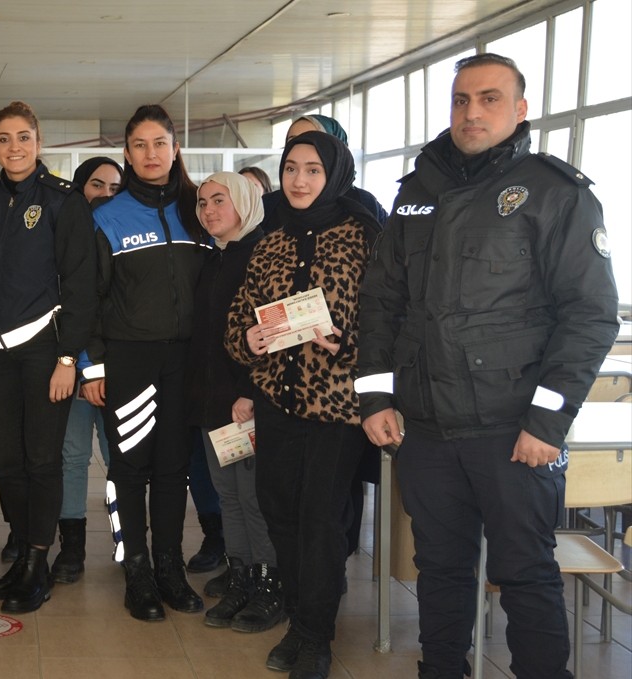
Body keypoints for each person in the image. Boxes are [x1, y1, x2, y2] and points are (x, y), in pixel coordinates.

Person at [357, 53, 619, 679]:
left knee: (524, 574)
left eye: (490, 98)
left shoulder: (555, 193)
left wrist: (546, 423)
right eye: (461, 100)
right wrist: (375, 399)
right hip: (425, 427)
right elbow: (380, 304)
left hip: (512, 432)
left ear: (520, 109)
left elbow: (589, 315)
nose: (472, 112)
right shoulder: (416, 192)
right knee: (440, 571)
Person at [225, 131, 381, 678]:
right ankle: (298, 617)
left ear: (334, 174)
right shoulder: (270, 241)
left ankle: (316, 633)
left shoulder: (362, 238)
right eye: (291, 168)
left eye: (312, 169)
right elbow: (239, 317)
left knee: (319, 521)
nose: (298, 180)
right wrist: (249, 340)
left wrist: (346, 345)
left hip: (336, 410)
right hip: (276, 403)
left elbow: (388, 322)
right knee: (280, 514)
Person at [79, 104, 207, 622]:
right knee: (130, 468)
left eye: (160, 143)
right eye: (139, 145)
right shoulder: (106, 217)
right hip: (129, 361)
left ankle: (170, 567)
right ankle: (137, 569)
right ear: (127, 154)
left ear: (175, 149)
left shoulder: (199, 210)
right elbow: (86, 299)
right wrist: (92, 366)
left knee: (175, 468)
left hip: (187, 360)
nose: (151, 154)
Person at [0, 100, 98, 614]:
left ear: (39, 142)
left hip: (45, 352)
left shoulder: (63, 201)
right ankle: (22, 553)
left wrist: (69, 357)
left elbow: (83, 284)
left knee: (42, 460)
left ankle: (39, 564)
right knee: (5, 462)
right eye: (5, 138)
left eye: (24, 137)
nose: (15, 147)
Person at [184, 171, 283, 634]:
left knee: (253, 496)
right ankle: (242, 574)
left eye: (218, 200)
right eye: (203, 202)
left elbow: (274, 333)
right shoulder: (217, 258)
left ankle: (269, 585)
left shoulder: (264, 253)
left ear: (244, 201)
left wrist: (251, 393)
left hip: (245, 402)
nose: (208, 211)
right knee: (230, 496)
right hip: (214, 402)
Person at [50, 156, 119, 585]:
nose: (106, 195)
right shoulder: (63, 236)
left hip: (119, 371)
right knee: (71, 458)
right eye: (97, 185)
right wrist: (86, 366)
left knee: (120, 461)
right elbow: (75, 307)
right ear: (79, 189)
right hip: (72, 365)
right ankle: (71, 549)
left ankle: (127, 545)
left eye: (115, 187)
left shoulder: (126, 236)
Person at [259, 114, 388, 233]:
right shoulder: (269, 206)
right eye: (292, 141)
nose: (301, 146)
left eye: (314, 139)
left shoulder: (364, 204)